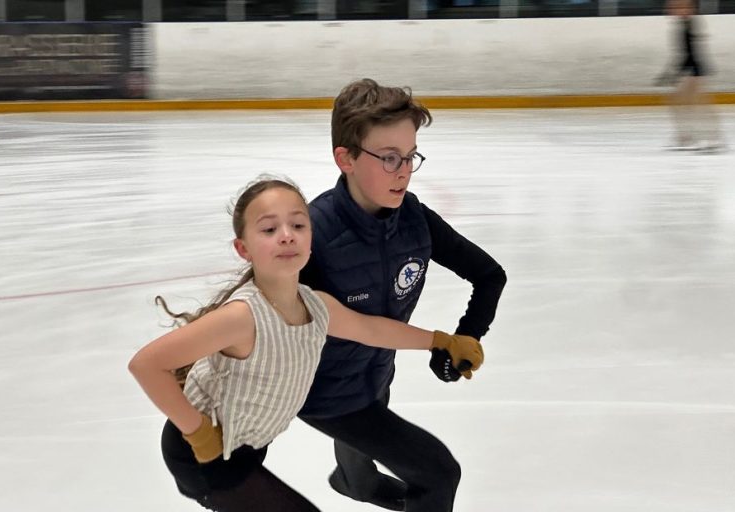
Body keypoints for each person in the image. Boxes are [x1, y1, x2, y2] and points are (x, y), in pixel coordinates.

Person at [128, 176, 484, 512]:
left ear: (312, 238)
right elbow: (147, 364)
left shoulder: (315, 304)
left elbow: (372, 330)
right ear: (243, 248)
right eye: (269, 229)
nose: (286, 236)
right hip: (201, 456)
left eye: (298, 225)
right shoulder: (242, 317)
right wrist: (198, 433)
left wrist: (441, 341)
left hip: (245, 448)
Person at [297, 78, 507, 511]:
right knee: (436, 473)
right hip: (324, 394)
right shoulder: (312, 233)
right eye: (389, 158)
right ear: (346, 158)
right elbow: (259, 314)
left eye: (411, 157)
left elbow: (488, 275)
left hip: (374, 380)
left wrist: (465, 339)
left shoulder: (414, 220)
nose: (404, 171)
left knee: (358, 483)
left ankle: (351, 482)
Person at [657, 0, 725, 151]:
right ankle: (688, 138)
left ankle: (711, 139)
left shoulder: (690, 24)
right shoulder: (683, 25)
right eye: (673, 8)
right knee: (682, 103)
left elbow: (691, 53)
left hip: (695, 71)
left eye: (679, 7)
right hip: (692, 70)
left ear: (690, 9)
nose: (674, 11)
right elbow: (685, 53)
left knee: (696, 105)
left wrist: (676, 74)